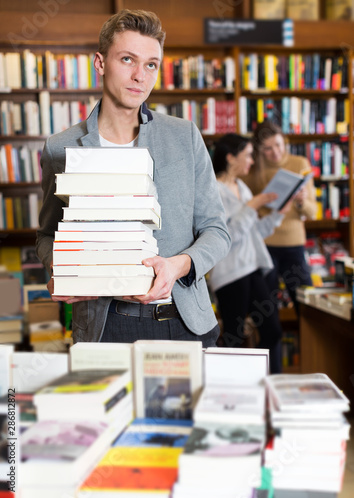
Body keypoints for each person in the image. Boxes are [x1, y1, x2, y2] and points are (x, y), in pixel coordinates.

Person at [36, 9, 231, 347]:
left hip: (184, 322)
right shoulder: (60, 148)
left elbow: (217, 231)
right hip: (105, 327)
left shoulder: (184, 136)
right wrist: (59, 266)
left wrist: (177, 266)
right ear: (100, 63)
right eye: (128, 59)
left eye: (151, 64)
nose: (140, 75)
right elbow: (47, 235)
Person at [208, 134, 288, 373]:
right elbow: (225, 238)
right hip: (230, 274)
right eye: (249, 155)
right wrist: (252, 207)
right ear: (231, 157)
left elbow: (254, 232)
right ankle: (230, 388)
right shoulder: (215, 190)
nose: (252, 161)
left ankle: (270, 384)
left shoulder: (242, 187)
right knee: (233, 337)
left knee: (272, 330)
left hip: (252, 268)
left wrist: (277, 214)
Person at [246, 120, 317, 314]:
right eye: (267, 148)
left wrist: (302, 201)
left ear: (284, 141)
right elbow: (243, 210)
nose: (275, 152)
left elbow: (313, 212)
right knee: (266, 311)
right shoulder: (251, 171)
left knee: (307, 306)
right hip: (264, 245)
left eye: (278, 145)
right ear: (259, 150)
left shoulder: (300, 163)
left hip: (294, 244)